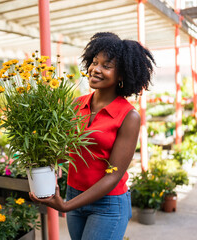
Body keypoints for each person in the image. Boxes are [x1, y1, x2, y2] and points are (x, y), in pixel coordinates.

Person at [29, 32, 155, 240]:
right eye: (94, 62)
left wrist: (66, 206)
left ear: (122, 74)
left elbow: (113, 175)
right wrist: (38, 164)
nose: (95, 69)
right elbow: (65, 152)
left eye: (106, 65)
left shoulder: (128, 116)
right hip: (73, 192)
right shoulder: (76, 104)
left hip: (107, 204)